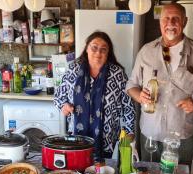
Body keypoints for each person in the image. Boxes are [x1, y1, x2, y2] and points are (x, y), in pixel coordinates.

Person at [126, 3, 193, 166]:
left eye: (176, 19)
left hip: (181, 136)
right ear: (160, 21)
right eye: (166, 18)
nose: (170, 23)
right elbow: (131, 84)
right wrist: (139, 96)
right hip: (150, 133)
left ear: (185, 21)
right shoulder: (146, 51)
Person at [54, 31, 135, 160]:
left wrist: (130, 132)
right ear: (87, 48)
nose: (98, 53)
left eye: (103, 49)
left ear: (108, 53)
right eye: (94, 47)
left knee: (101, 172)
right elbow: (59, 96)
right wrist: (64, 105)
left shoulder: (117, 74)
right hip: (76, 136)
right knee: (78, 169)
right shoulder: (73, 69)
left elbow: (128, 106)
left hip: (106, 138)